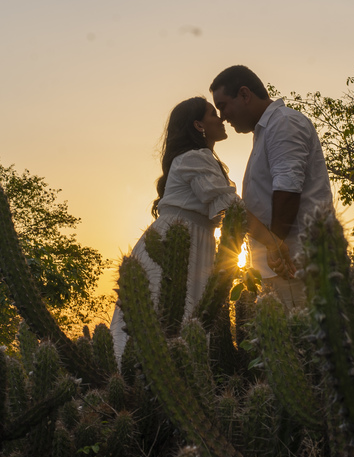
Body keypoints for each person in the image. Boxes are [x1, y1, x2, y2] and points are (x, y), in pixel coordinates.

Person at [110, 97, 281, 360]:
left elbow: (231, 211)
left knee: (183, 326)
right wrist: (273, 243)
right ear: (199, 125)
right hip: (173, 246)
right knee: (159, 320)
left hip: (193, 242)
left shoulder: (199, 158)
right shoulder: (194, 158)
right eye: (213, 113)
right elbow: (232, 208)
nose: (221, 118)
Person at [210, 65, 333, 309]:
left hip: (296, 265)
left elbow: (288, 189)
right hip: (284, 266)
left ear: (244, 94)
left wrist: (275, 247)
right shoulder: (266, 131)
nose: (222, 116)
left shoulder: (283, 123)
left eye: (223, 106)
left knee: (299, 332)